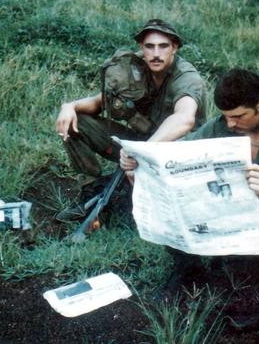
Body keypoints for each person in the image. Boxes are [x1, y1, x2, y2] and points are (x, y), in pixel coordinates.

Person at [120, 68, 259, 296]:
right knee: (175, 203)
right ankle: (190, 271)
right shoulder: (220, 126)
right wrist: (140, 162)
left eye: (238, 116)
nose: (230, 124)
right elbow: (179, 155)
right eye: (226, 116)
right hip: (227, 212)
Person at [55, 19, 207, 220]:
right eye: (149, 46)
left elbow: (184, 118)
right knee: (77, 122)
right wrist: (70, 106)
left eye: (163, 46)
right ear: (141, 47)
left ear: (175, 48)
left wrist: (142, 152)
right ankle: (91, 190)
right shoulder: (135, 66)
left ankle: (133, 189)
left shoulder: (186, 77)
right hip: (138, 145)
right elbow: (100, 103)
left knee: (133, 213)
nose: (156, 53)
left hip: (175, 152)